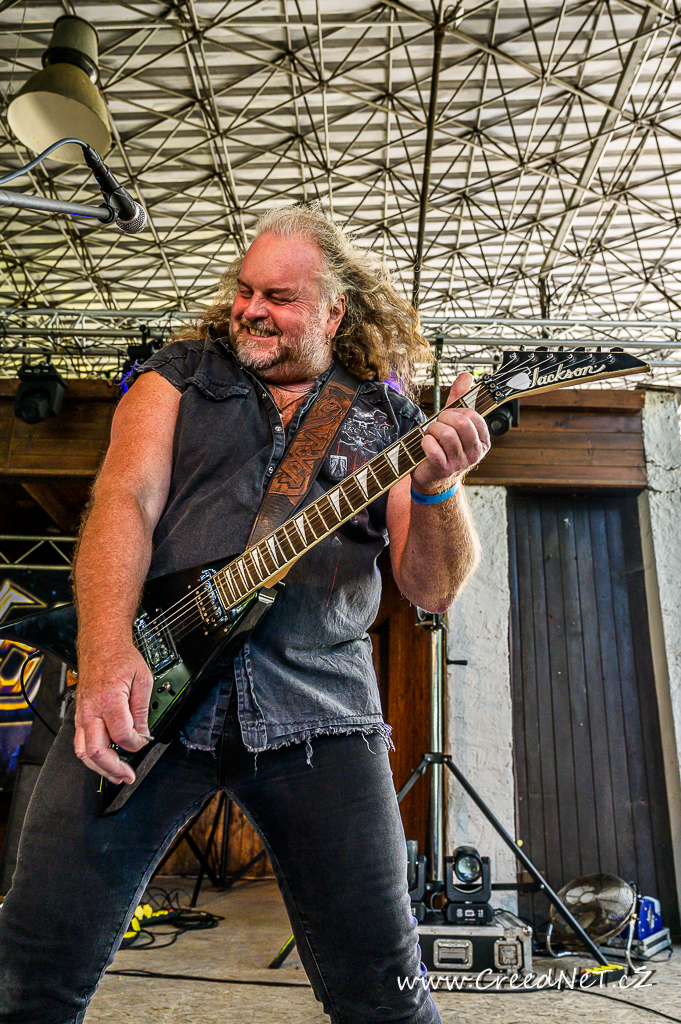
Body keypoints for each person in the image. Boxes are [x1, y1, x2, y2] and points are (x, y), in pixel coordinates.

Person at [0, 205, 490, 1024]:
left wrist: (439, 488)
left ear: (334, 311)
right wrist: (107, 648)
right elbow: (123, 501)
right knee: (30, 972)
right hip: (145, 686)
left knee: (386, 993)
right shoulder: (176, 377)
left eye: (280, 298)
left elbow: (431, 588)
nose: (251, 309)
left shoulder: (389, 421)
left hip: (321, 710)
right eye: (244, 290)